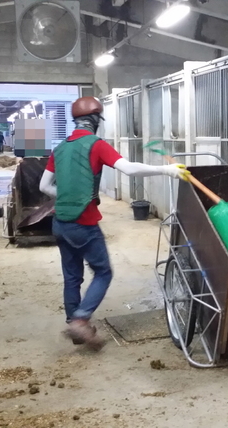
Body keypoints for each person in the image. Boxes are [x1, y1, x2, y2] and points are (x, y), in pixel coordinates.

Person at [38, 96, 190, 350]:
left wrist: (66, 197)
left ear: (75, 121)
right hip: (83, 223)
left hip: (60, 223)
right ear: (95, 121)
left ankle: (74, 324)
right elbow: (128, 169)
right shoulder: (95, 145)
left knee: (72, 276)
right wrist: (167, 171)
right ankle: (81, 319)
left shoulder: (60, 148)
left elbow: (44, 186)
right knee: (103, 272)